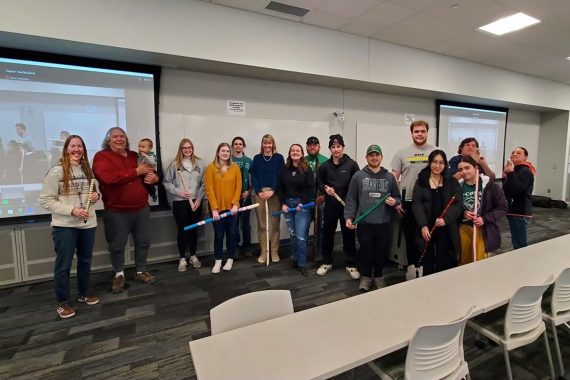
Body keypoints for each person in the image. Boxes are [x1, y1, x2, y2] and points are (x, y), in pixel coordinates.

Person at [39, 135, 101, 319]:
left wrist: (96, 197)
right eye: (73, 146)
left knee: (85, 261)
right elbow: (45, 200)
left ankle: (84, 293)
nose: (76, 149)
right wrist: (71, 210)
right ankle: (63, 302)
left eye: (80, 146)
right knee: (64, 264)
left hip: (88, 223)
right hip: (65, 225)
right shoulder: (56, 172)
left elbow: (94, 193)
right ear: (66, 149)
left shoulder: (87, 170)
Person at [92, 127, 159, 293]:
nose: (119, 139)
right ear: (108, 140)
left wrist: (154, 178)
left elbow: (150, 171)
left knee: (143, 241)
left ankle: (140, 270)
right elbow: (109, 178)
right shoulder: (101, 157)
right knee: (117, 245)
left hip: (141, 208)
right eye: (115, 137)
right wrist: (136, 171)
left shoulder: (135, 156)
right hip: (116, 211)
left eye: (122, 136)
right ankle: (119, 274)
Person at [345, 144, 400, 291]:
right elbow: (351, 199)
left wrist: (395, 202)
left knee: (381, 252)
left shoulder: (389, 177)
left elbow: (397, 197)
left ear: (381, 157)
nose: (374, 158)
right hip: (364, 223)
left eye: (377, 155)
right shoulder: (358, 176)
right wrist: (348, 217)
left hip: (383, 224)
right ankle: (366, 276)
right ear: (366, 158)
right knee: (365, 252)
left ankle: (379, 275)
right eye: (371, 155)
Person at [391, 120, 436, 276]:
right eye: (416, 131)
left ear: (427, 133)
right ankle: (411, 265)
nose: (419, 134)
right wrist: (396, 202)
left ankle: (425, 266)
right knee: (409, 236)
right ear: (412, 133)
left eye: (423, 131)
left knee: (427, 235)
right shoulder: (402, 153)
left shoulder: (435, 152)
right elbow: (393, 178)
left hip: (429, 203)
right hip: (407, 202)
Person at [412, 150, 463, 275]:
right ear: (429, 163)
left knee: (444, 259)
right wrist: (423, 225)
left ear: (445, 164)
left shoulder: (451, 182)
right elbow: (416, 204)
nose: (437, 165)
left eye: (441, 162)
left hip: (445, 227)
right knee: (427, 261)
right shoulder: (421, 181)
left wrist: (446, 219)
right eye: (434, 162)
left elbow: (458, 204)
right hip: (427, 228)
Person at [316, 134, 360, 279]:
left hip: (347, 207)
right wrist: (325, 189)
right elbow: (319, 183)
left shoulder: (352, 164)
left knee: (348, 235)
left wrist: (350, 204)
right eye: (333, 147)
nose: (336, 149)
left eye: (338, 146)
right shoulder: (324, 166)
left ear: (343, 147)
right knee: (327, 234)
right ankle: (326, 262)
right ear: (330, 149)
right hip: (330, 206)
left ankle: (351, 264)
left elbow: (356, 185)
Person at [163, 138, 204, 272]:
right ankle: (182, 258)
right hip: (180, 203)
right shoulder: (175, 165)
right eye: (184, 148)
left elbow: (204, 184)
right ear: (181, 149)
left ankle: (193, 255)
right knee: (182, 230)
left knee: (193, 230)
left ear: (193, 149)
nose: (187, 150)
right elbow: (166, 182)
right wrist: (179, 192)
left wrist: (198, 200)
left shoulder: (200, 163)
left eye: (189, 147)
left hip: (195, 203)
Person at [457, 156, 506, 265]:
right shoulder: (458, 188)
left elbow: (502, 208)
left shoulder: (489, 186)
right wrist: (463, 213)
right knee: (464, 261)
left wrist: (485, 219)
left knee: (480, 261)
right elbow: (454, 208)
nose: (464, 172)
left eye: (467, 168)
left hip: (483, 229)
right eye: (460, 169)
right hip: (464, 229)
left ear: (475, 167)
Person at [278, 144, 315, 277]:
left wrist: (302, 203)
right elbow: (280, 187)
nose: (295, 152)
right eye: (292, 150)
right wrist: (282, 204)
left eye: (297, 151)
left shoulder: (307, 169)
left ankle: (302, 263)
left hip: (302, 206)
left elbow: (310, 188)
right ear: (289, 153)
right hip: (287, 206)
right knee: (293, 234)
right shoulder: (284, 169)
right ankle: (294, 258)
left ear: (301, 153)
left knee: (300, 236)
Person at [205, 142, 242, 273]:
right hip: (217, 209)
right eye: (223, 151)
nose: (225, 153)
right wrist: (214, 208)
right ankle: (218, 260)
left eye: (227, 151)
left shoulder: (235, 168)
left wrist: (235, 204)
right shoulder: (210, 168)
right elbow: (209, 189)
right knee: (219, 235)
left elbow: (239, 187)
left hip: (232, 208)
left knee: (232, 234)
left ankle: (230, 258)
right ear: (218, 152)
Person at [250, 134, 285, 264]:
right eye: (265, 143)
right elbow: (253, 176)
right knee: (262, 225)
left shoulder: (279, 158)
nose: (267, 146)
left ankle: (274, 251)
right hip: (260, 194)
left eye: (269, 143)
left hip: (274, 194)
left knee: (275, 225)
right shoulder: (257, 158)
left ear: (273, 144)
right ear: (262, 144)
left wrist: (273, 190)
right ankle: (264, 251)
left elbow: (281, 176)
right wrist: (259, 191)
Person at [502, 147, 535, 249]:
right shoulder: (516, 170)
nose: (514, 154)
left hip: (520, 212)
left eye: (518, 153)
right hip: (515, 211)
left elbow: (517, 189)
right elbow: (509, 190)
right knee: (517, 240)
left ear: (525, 157)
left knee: (520, 243)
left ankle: (522, 262)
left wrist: (510, 173)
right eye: (513, 152)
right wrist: (507, 176)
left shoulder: (525, 170)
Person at [304, 136, 328, 259]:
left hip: (321, 199)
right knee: (304, 226)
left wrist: (324, 196)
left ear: (319, 146)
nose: (312, 147)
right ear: (307, 147)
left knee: (320, 227)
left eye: (315, 144)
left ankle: (319, 252)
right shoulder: (303, 161)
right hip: (306, 200)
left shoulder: (325, 160)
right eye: (310, 145)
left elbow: (330, 180)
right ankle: (303, 252)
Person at [231, 136, 253, 257]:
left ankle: (247, 246)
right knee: (234, 224)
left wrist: (249, 191)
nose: (238, 146)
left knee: (246, 224)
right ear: (233, 146)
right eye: (236, 144)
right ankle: (235, 247)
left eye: (240, 144)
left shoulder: (249, 160)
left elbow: (254, 178)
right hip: (233, 198)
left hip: (246, 197)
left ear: (243, 146)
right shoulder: (229, 160)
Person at [138, 138, 158, 202]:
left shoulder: (151, 155)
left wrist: (146, 157)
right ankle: (151, 192)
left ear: (150, 148)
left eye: (143, 147)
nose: (140, 148)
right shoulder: (140, 155)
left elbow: (152, 162)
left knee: (148, 182)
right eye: (139, 147)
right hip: (142, 172)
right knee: (143, 183)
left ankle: (153, 192)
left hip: (150, 171)